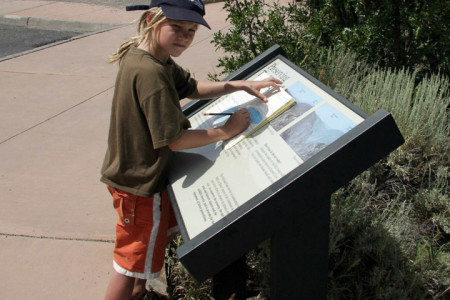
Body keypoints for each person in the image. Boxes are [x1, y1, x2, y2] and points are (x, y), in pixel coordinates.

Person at [100, 0, 281, 299]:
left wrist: (240, 85)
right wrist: (227, 130)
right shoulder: (151, 74)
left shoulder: (151, 57)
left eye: (191, 30)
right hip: (139, 185)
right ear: (151, 19)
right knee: (129, 262)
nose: (184, 36)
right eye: (177, 27)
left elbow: (192, 87)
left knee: (141, 258)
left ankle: (138, 293)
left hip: (134, 177)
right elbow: (175, 139)